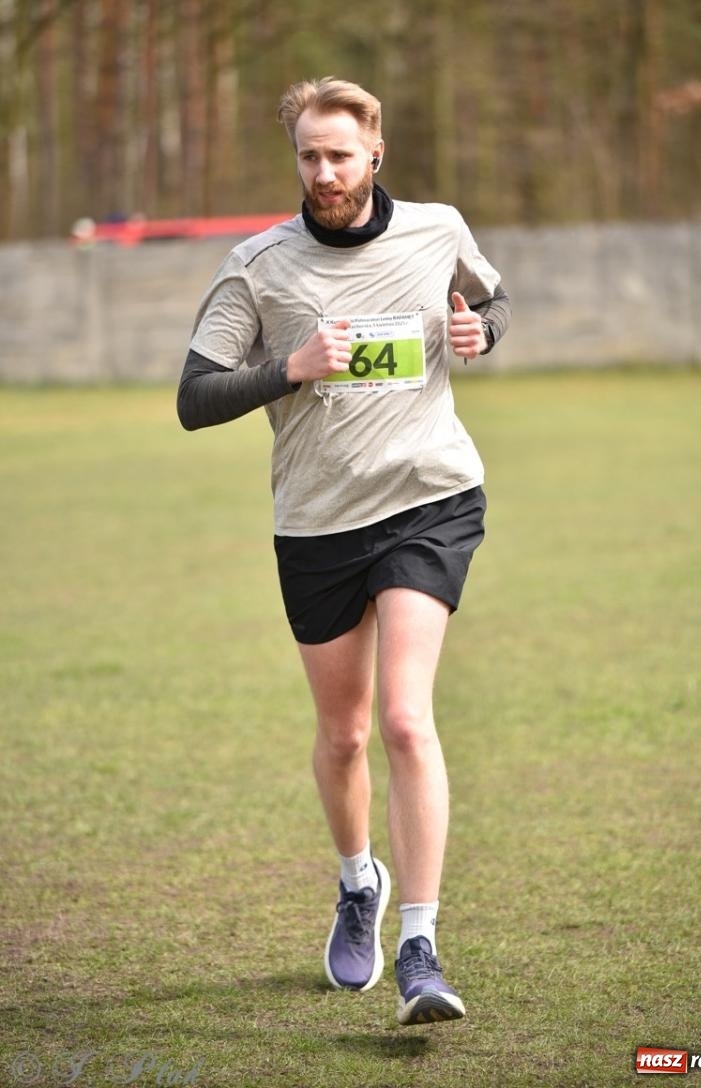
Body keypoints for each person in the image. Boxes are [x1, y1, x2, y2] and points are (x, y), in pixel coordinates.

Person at [177, 76, 511, 1026]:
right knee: (346, 735)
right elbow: (193, 398)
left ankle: (419, 945)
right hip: (317, 523)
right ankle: (356, 881)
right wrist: (289, 367)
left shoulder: (438, 228)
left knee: (408, 721)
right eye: (308, 157)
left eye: (339, 154)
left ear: (375, 155)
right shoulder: (257, 267)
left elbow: (491, 300)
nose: (323, 172)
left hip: (428, 498)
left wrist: (476, 331)